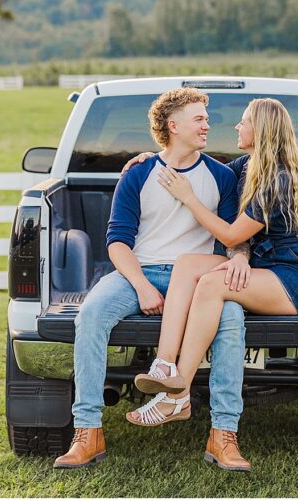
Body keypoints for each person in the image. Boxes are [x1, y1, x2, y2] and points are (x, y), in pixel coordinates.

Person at [54, 87, 250, 471]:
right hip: (137, 274)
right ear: (172, 125)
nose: (208, 125)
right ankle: (87, 433)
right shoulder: (138, 173)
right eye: (199, 119)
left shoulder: (222, 176)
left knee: (232, 319)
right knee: (90, 315)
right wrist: (142, 285)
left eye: (206, 119)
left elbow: (231, 237)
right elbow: (117, 243)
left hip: (197, 280)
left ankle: (224, 435)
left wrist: (240, 256)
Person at [127, 97, 298, 470]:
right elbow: (206, 168)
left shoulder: (275, 179)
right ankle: (164, 367)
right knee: (188, 265)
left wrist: (187, 199)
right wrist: (151, 157)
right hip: (263, 267)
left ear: (260, 131)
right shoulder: (248, 165)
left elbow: (232, 233)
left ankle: (179, 392)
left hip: (292, 278)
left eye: (244, 122)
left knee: (212, 285)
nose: (236, 127)